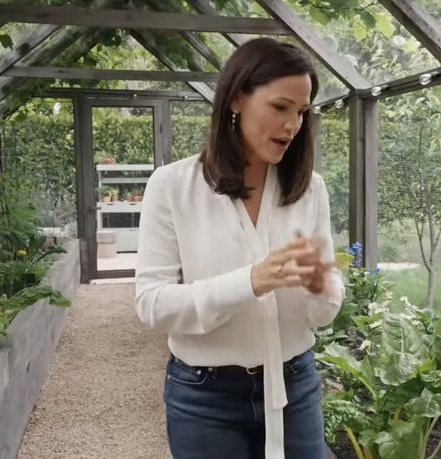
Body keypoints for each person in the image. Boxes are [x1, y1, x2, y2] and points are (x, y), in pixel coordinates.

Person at [134, 37, 344, 459]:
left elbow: (322, 314)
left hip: (295, 385)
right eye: (280, 107)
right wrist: (249, 281)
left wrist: (323, 284)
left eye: (301, 112)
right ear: (236, 100)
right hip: (204, 397)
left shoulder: (309, 190)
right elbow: (151, 304)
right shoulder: (172, 186)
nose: (292, 125)